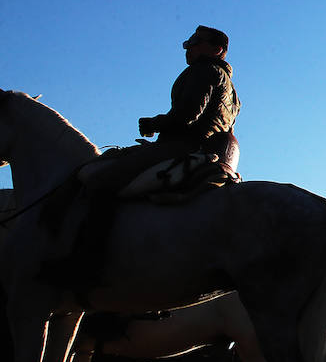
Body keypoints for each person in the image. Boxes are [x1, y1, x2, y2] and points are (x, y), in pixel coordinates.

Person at [42, 25, 241, 289]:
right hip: (208, 151)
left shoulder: (205, 70)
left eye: (195, 42)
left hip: (183, 146)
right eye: (188, 42)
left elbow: (186, 116)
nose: (188, 47)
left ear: (217, 49)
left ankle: (86, 262)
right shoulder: (232, 88)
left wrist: (153, 123)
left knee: (102, 180)